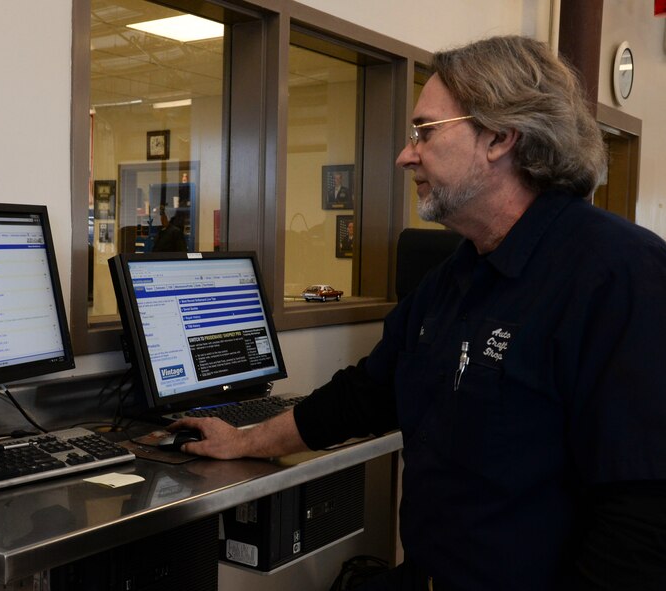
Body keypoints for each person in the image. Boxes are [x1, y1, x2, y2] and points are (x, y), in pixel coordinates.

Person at [170, 35, 666, 590]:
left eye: (425, 132)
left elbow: (642, 517)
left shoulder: (622, 276)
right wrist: (243, 440)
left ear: (500, 137)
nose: (407, 155)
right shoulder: (456, 275)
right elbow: (366, 394)